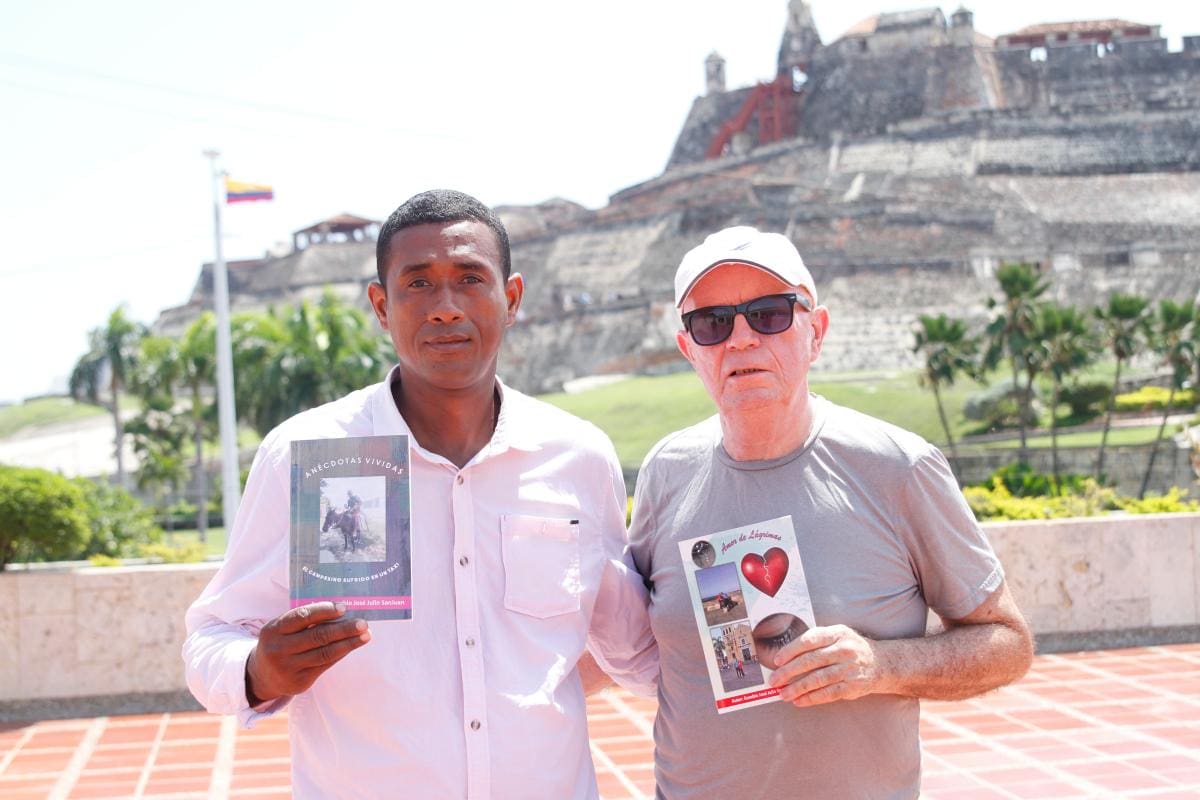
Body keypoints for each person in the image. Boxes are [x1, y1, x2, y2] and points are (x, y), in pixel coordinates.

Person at [183, 189, 657, 799]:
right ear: (381, 306)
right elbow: (211, 638)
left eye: (469, 279)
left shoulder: (578, 455)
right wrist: (258, 671)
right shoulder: (308, 455)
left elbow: (634, 644)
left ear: (510, 298)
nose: (444, 307)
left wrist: (754, 644)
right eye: (418, 284)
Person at [629, 226, 1033, 798]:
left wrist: (882, 665)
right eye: (713, 322)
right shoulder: (665, 472)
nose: (741, 340)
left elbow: (1007, 644)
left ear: (814, 331)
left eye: (769, 314)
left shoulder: (899, 467)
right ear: (688, 347)